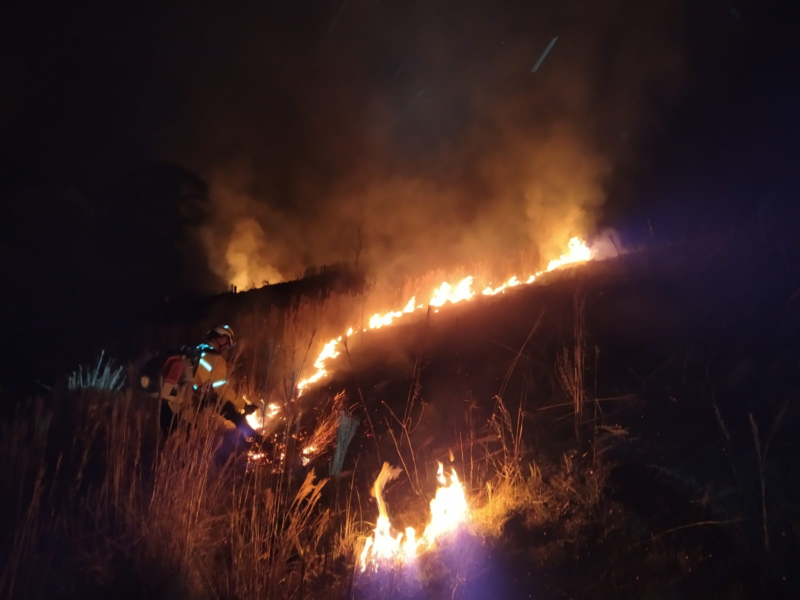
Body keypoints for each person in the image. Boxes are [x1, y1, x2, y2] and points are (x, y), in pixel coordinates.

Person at [140, 325, 260, 447]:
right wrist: (243, 405)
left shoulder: (193, 350)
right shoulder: (216, 359)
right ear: (222, 339)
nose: (227, 348)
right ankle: (255, 437)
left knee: (170, 445)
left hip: (165, 401)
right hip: (182, 405)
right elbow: (221, 389)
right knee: (226, 408)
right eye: (227, 343)